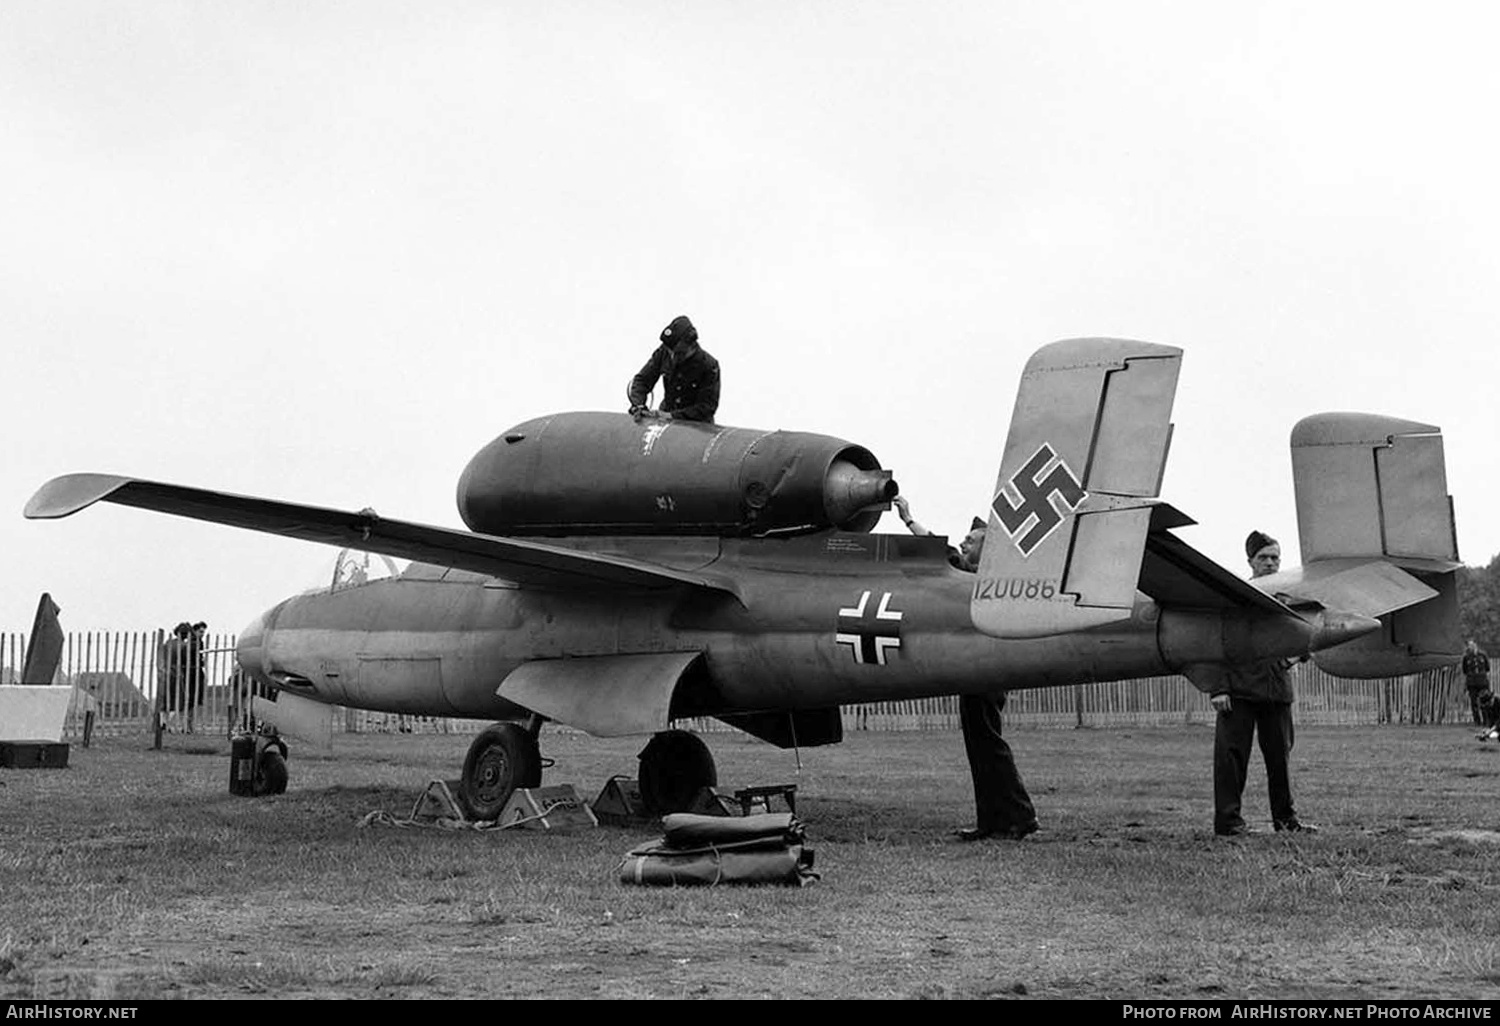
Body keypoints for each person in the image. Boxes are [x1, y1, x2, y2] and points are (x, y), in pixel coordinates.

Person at [894, 496, 1039, 841]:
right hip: (979, 673)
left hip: (986, 674)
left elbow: (945, 556)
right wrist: (910, 521)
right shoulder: (976, 575)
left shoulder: (984, 576)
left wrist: (909, 520)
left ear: (987, 551)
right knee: (982, 746)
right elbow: (947, 553)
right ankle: (994, 821)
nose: (962, 542)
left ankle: (1019, 816)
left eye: (970, 540)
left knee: (988, 744)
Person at [1212, 530, 1315, 836]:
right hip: (1237, 691)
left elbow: (1309, 637)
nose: (1270, 563)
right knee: (1231, 760)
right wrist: (1217, 687)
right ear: (1250, 561)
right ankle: (1228, 823)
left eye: (1275, 558)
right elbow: (1216, 643)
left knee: (1279, 761)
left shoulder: (1291, 599)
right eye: (1264, 558)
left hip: (1276, 690)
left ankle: (1286, 821)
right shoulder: (1235, 598)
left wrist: (1294, 658)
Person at [626, 315, 721, 424]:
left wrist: (672, 416)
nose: (672, 358)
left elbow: (706, 408)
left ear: (692, 346)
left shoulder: (709, 366)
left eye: (679, 354)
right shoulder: (664, 353)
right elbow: (642, 381)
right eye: (670, 352)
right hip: (666, 422)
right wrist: (639, 405)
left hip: (697, 428)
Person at [1462, 640, 1491, 726]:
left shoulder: (1483, 655)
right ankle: (1477, 721)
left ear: (1476, 645)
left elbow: (1487, 668)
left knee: (1485, 702)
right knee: (1474, 702)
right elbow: (1465, 670)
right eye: (1469, 646)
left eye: (1472, 645)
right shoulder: (1466, 657)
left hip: (1482, 682)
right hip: (1472, 683)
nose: (1471, 647)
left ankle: (1486, 720)